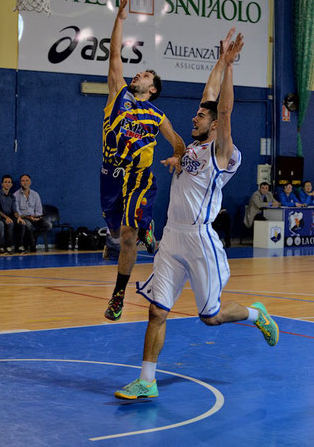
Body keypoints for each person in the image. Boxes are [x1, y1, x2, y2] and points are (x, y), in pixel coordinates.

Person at [114, 29, 279, 400]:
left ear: (215, 126)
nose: (195, 116)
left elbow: (221, 107)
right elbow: (209, 95)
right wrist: (220, 60)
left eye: (201, 117)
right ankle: (147, 380)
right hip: (172, 237)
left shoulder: (223, 152)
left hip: (200, 239)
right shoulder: (193, 146)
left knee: (211, 316)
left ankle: (256, 315)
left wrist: (231, 67)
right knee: (157, 311)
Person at [102, 0, 186, 321]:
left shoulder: (157, 115)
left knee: (126, 236)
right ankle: (148, 228)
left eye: (145, 76)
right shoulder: (117, 93)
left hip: (139, 177)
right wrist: (120, 20)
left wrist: (177, 157)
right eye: (138, 73)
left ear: (152, 90)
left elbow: (178, 142)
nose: (138, 75)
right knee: (116, 234)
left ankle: (118, 295)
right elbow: (114, 57)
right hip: (110, 175)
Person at [13, 174, 52, 251]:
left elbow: (39, 210)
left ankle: (31, 239)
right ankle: (32, 245)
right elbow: (17, 211)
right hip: (24, 218)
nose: (25, 183)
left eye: (27, 180)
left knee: (48, 225)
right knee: (29, 226)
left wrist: (37, 217)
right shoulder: (15, 195)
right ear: (20, 183)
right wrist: (28, 217)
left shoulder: (35, 194)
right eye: (23, 181)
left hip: (35, 217)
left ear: (30, 182)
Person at [0, 175, 26, 254]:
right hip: (0, 216)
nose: (7, 184)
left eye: (9, 182)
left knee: (21, 223)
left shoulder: (12, 196)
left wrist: (19, 217)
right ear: (2, 184)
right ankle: (8, 246)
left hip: (10, 216)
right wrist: (6, 217)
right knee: (10, 223)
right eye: (5, 182)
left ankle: (19, 246)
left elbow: (15, 210)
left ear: (11, 184)